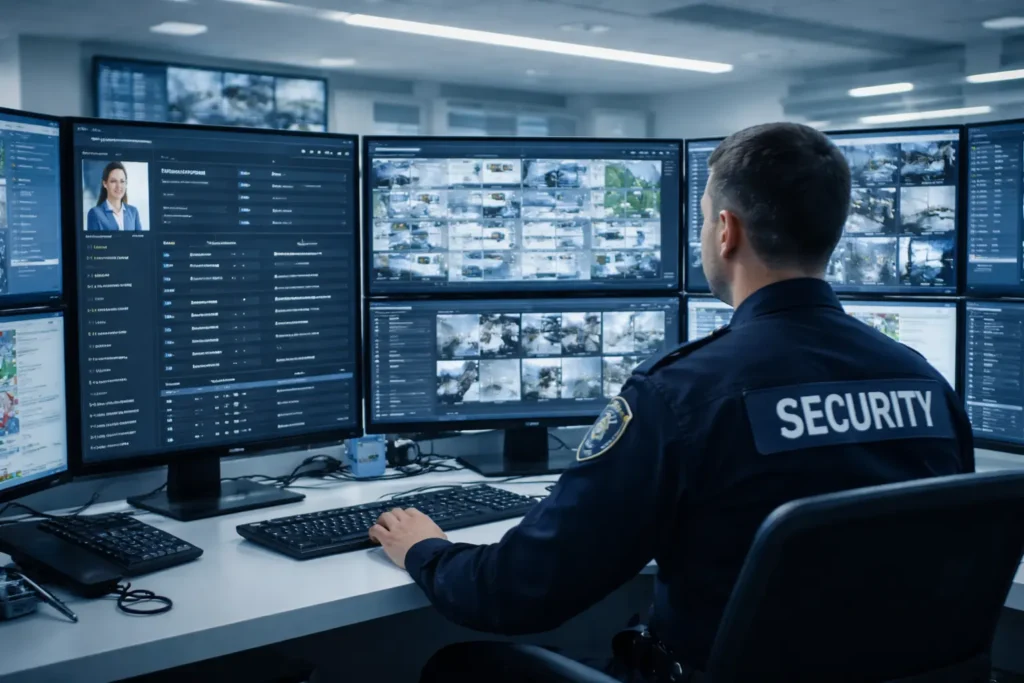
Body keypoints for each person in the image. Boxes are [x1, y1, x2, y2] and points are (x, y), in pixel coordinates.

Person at [368, 123, 975, 682]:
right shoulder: (924, 382)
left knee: (462, 669)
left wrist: (426, 549)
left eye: (705, 218)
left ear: (727, 231)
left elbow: (517, 594)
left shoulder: (681, 394)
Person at [86, 161, 143, 232]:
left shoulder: (133, 212)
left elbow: (141, 242)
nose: (119, 186)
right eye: (113, 181)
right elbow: (93, 242)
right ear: (105, 184)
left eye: (122, 181)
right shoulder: (95, 213)